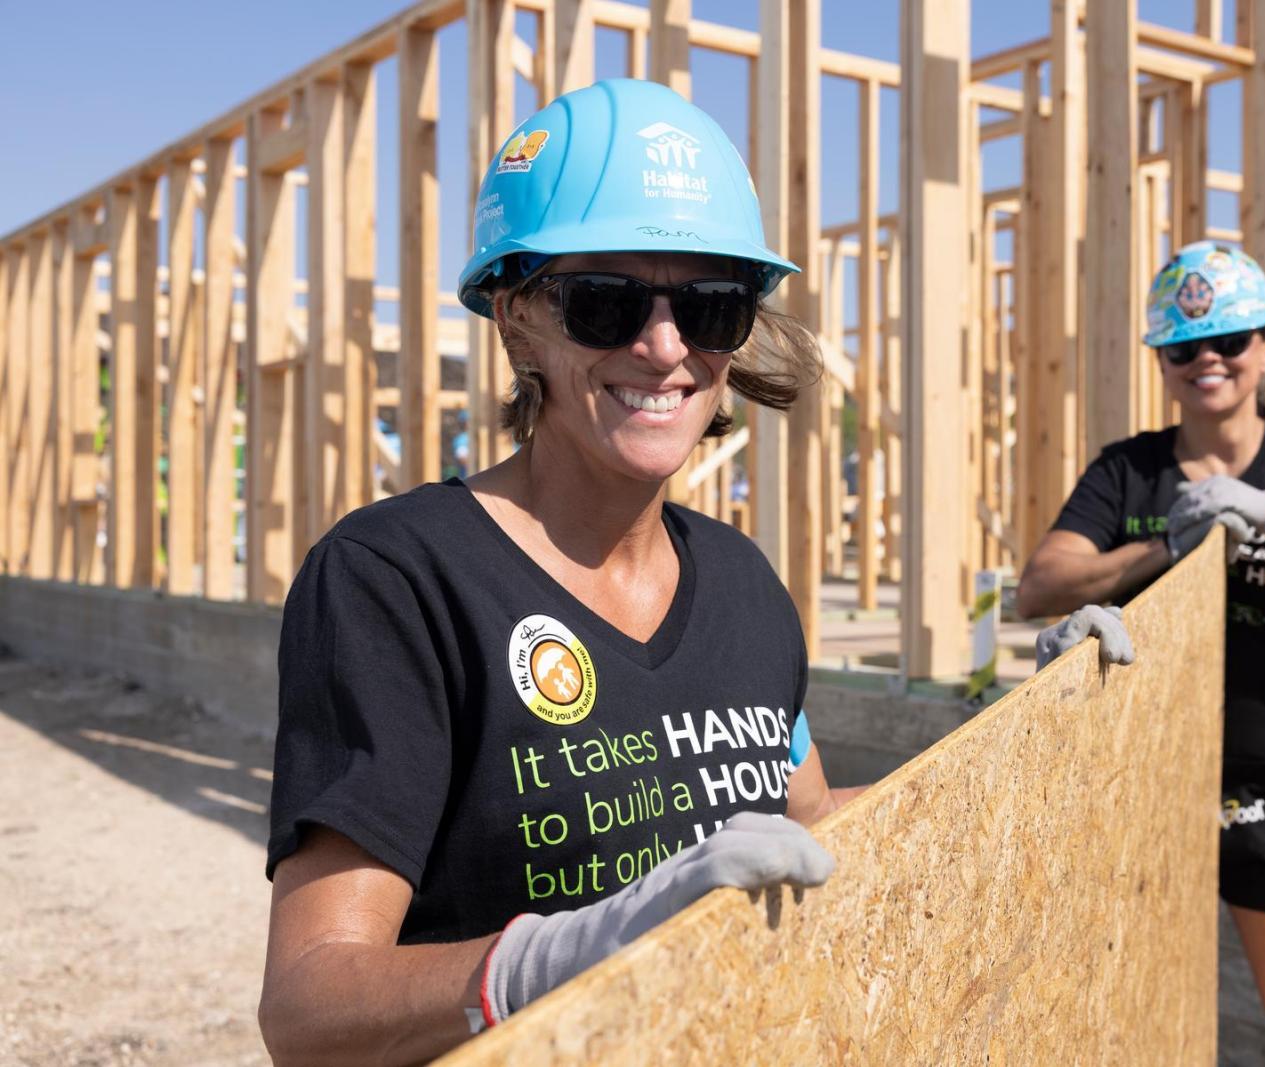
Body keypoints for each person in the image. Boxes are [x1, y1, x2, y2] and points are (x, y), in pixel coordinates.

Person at [258, 80, 865, 1066]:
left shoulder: (746, 585)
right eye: (604, 302)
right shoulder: (398, 583)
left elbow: (807, 825)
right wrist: (567, 951)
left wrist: (1035, 743)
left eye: (711, 305)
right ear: (517, 323)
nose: (664, 347)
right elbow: (310, 1007)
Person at [1018, 242, 1265, 1067]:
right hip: (1144, 783)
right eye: (1185, 347)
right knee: (1132, 1030)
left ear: (1264, 344)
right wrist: (1163, 552)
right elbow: (1037, 586)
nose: (1208, 361)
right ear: (1162, 359)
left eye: (1229, 340)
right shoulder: (1130, 471)